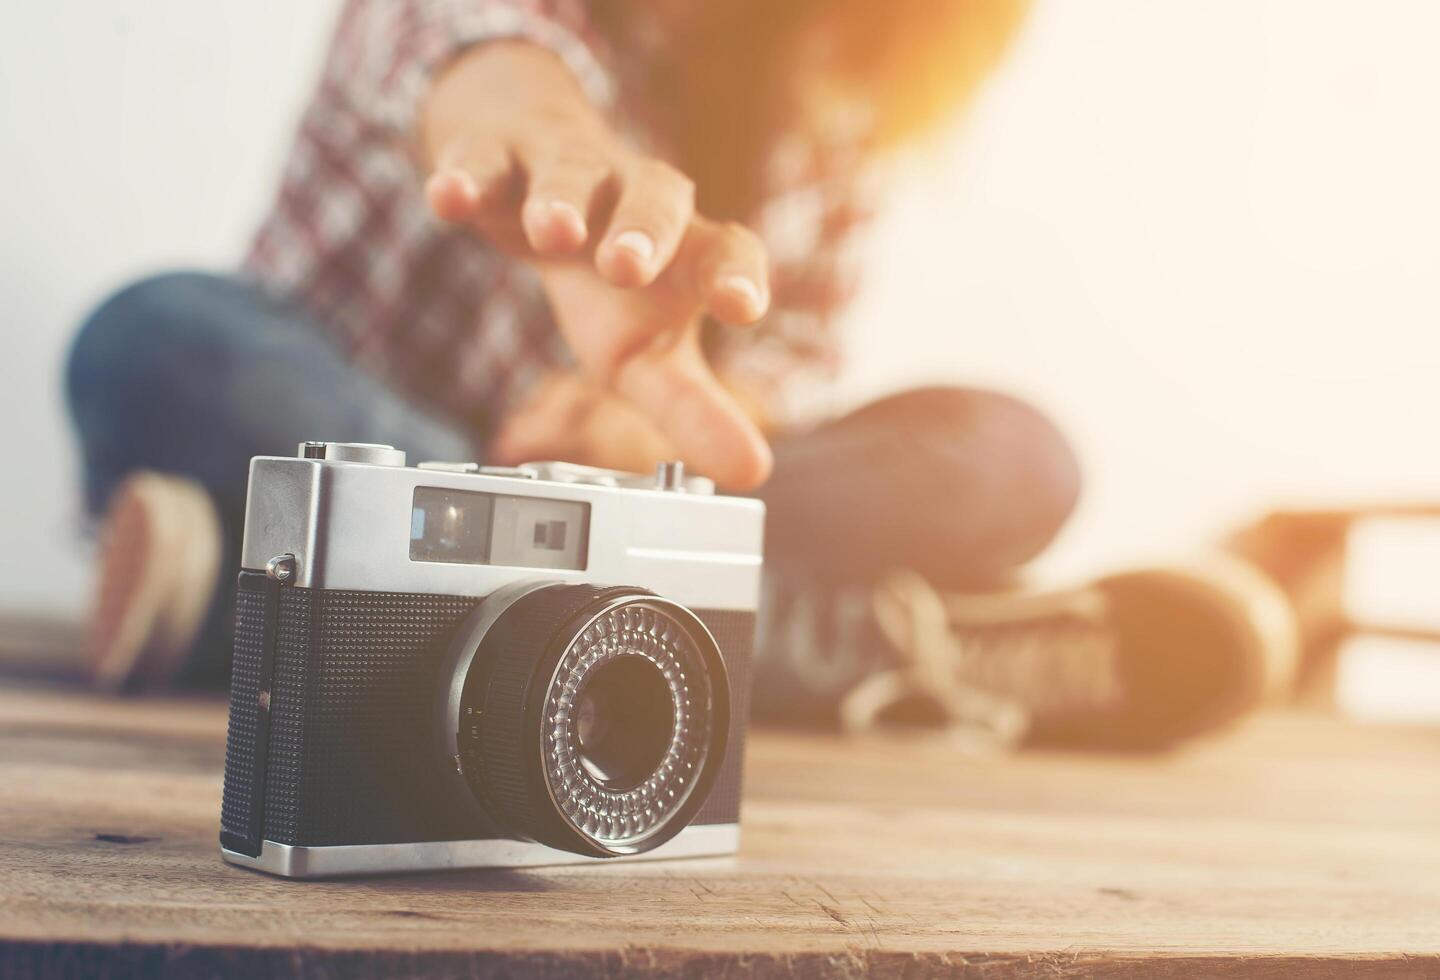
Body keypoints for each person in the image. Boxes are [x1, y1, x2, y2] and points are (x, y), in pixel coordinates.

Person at [67, 0, 1282, 747]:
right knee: (160, 334)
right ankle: (846, 656)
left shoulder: (828, 83)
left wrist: (633, 430)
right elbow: (474, 54)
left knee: (1016, 452)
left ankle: (259, 611)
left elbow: (787, 366)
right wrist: (554, 145)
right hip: (381, 462)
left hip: (609, 497)